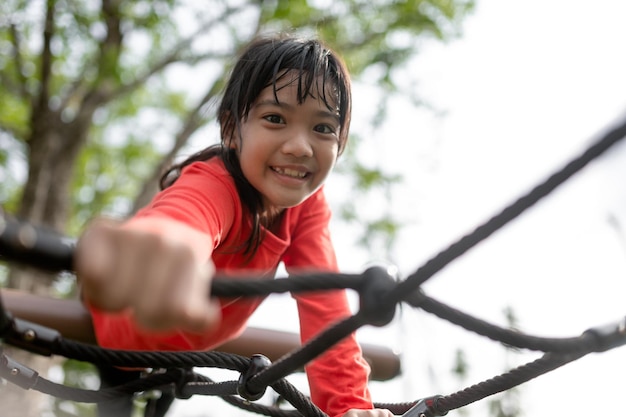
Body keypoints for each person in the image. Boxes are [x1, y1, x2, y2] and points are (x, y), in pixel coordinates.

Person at [75, 33, 393, 417]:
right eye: (275, 119)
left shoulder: (306, 208)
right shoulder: (215, 182)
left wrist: (349, 407)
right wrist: (167, 240)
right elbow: (186, 217)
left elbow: (326, 307)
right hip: (124, 336)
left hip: (184, 351)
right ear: (231, 131)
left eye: (323, 128)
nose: (300, 146)